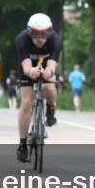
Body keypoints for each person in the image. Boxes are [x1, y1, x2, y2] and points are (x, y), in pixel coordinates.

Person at [15, 13, 63, 163]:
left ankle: (50, 108)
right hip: (28, 67)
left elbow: (52, 66)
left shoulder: (56, 40)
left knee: (49, 87)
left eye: (43, 35)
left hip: (46, 67)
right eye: (35, 35)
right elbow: (26, 67)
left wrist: (49, 72)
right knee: (27, 103)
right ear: (29, 33)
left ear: (49, 33)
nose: (39, 39)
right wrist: (31, 72)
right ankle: (23, 144)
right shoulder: (22, 39)